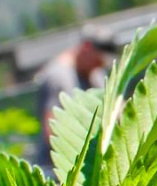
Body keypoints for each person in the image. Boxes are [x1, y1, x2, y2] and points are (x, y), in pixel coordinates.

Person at [33, 32, 113, 165]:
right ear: (86, 47)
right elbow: (52, 132)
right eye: (97, 61)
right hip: (59, 172)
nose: (99, 66)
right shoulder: (58, 76)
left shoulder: (94, 74)